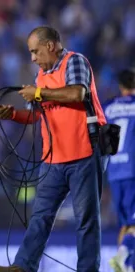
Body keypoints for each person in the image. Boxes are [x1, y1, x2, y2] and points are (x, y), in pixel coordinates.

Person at [0, 26, 107, 272]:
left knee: (86, 221)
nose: (33, 58)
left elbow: (77, 93)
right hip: (53, 158)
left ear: (50, 46)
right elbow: (36, 116)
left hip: (83, 153)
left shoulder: (74, 62)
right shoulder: (41, 77)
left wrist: (40, 93)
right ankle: (22, 266)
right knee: (40, 217)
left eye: (35, 52)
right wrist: (12, 115)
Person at [104, 69, 135, 272]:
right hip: (133, 171)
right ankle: (122, 255)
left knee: (125, 225)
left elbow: (105, 144)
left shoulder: (108, 108)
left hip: (115, 172)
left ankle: (125, 267)